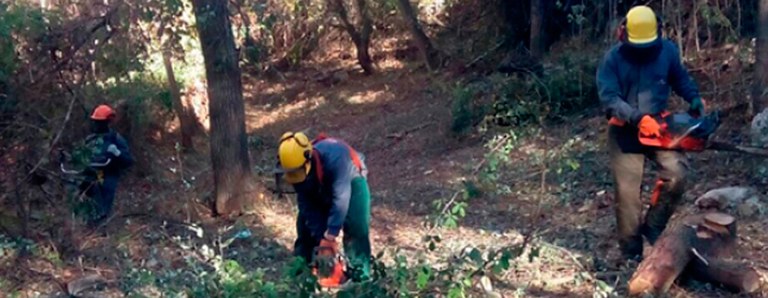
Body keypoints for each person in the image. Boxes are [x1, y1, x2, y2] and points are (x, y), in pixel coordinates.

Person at [596, 5, 705, 260]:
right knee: (627, 197)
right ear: (625, 34)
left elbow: (679, 78)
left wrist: (693, 97)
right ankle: (632, 253)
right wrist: (636, 117)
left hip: (659, 127)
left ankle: (654, 226)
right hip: (624, 131)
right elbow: (609, 98)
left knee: (677, 173)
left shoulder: (667, 50)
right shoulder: (613, 59)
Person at [276, 131, 372, 284]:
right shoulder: (295, 167)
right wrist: (321, 238)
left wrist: (330, 236)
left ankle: (361, 278)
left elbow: (341, 198)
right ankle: (301, 276)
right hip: (319, 184)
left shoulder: (336, 157)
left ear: (308, 158)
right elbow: (306, 205)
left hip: (352, 182)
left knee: (356, 226)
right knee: (304, 226)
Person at [84, 104, 134, 225]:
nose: (96, 125)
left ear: (107, 122)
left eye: (99, 122)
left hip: (109, 174)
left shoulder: (116, 139)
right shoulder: (90, 140)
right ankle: (91, 224)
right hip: (91, 174)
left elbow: (129, 161)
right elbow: (80, 158)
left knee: (105, 197)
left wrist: (117, 153)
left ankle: (101, 226)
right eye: (95, 122)